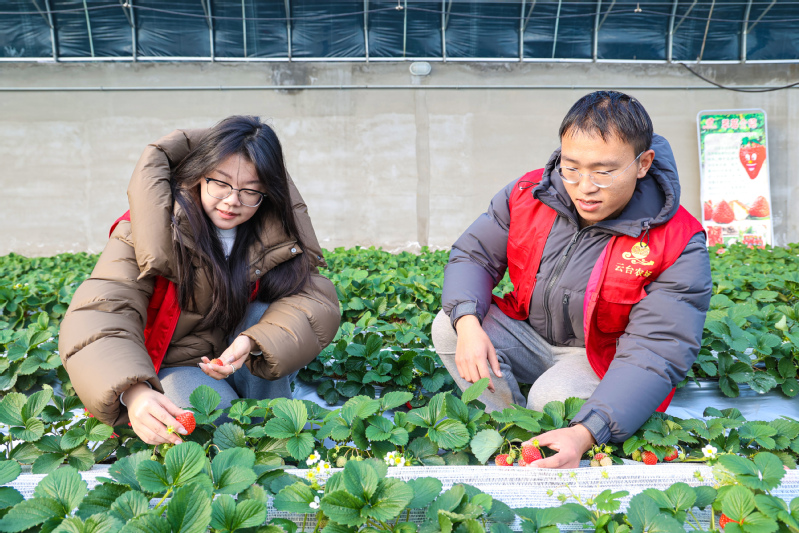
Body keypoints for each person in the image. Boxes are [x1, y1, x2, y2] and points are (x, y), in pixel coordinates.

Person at [432, 91, 712, 468]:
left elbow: (658, 349)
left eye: (603, 171)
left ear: (643, 164)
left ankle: (555, 433)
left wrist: (586, 432)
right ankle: (507, 428)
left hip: (601, 358)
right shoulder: (528, 194)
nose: (584, 186)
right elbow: (474, 255)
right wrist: (468, 324)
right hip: (530, 336)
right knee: (452, 325)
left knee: (553, 399)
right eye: (572, 167)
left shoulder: (677, 241)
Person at [59, 116, 341, 446]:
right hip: (176, 364)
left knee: (263, 317)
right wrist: (133, 392)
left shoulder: (274, 229)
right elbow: (100, 313)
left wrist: (253, 341)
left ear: (268, 192)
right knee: (213, 423)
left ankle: (278, 432)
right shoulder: (150, 229)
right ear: (198, 175)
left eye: (251, 190)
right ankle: (261, 441)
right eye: (220, 183)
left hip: (240, 359)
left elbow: (313, 299)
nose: (232, 200)